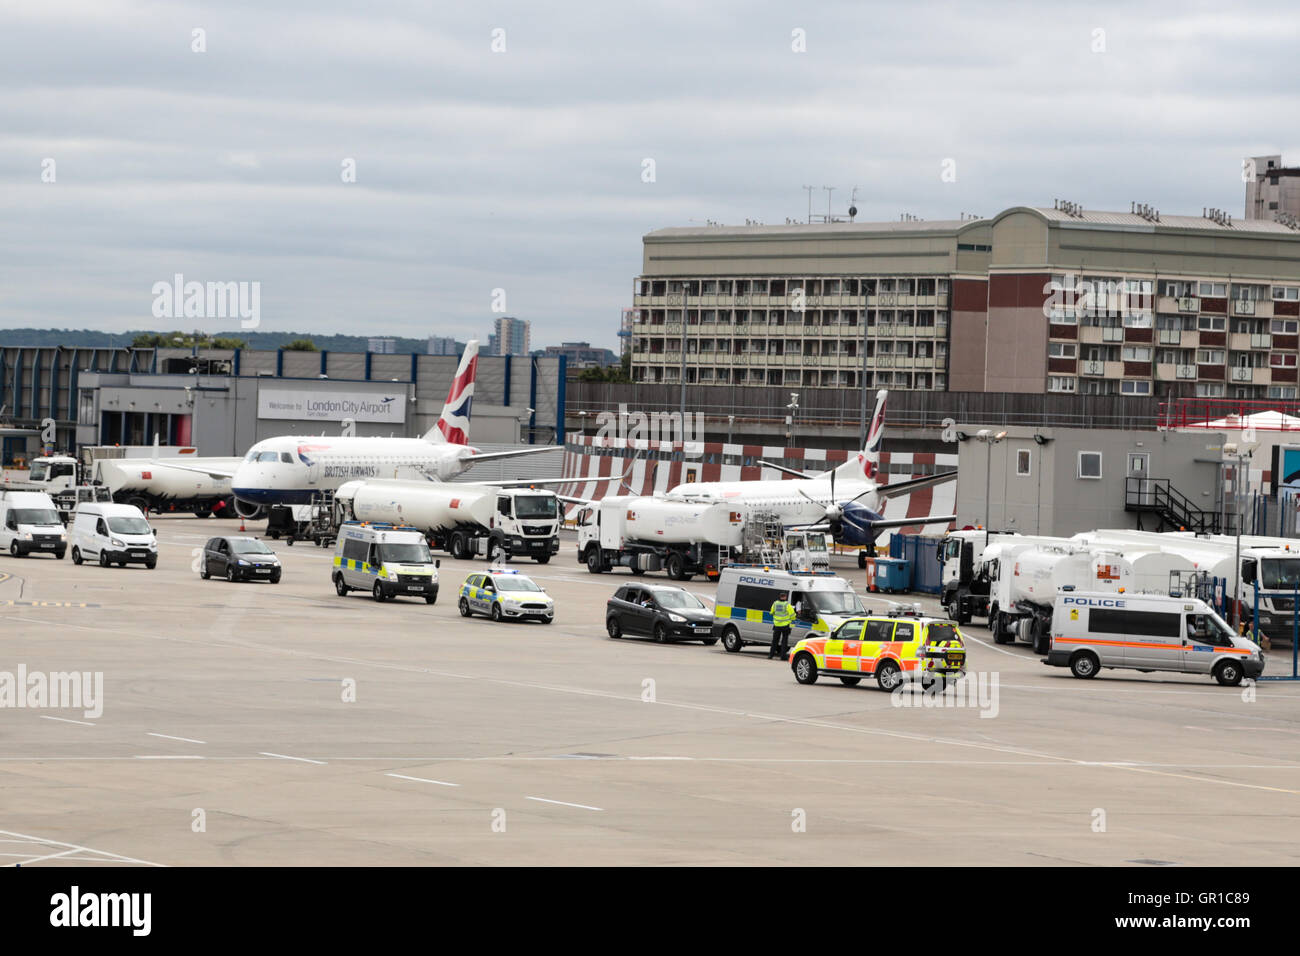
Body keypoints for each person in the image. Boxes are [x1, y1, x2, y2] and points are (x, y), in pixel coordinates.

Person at [769, 591, 796, 660]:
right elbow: (792, 615)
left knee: (774, 641)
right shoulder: (787, 605)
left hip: (777, 625)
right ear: (785, 597)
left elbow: (771, 612)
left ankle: (771, 655)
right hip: (785, 626)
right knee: (784, 641)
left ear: (780, 597)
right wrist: (792, 619)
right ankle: (783, 656)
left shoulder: (775, 603)